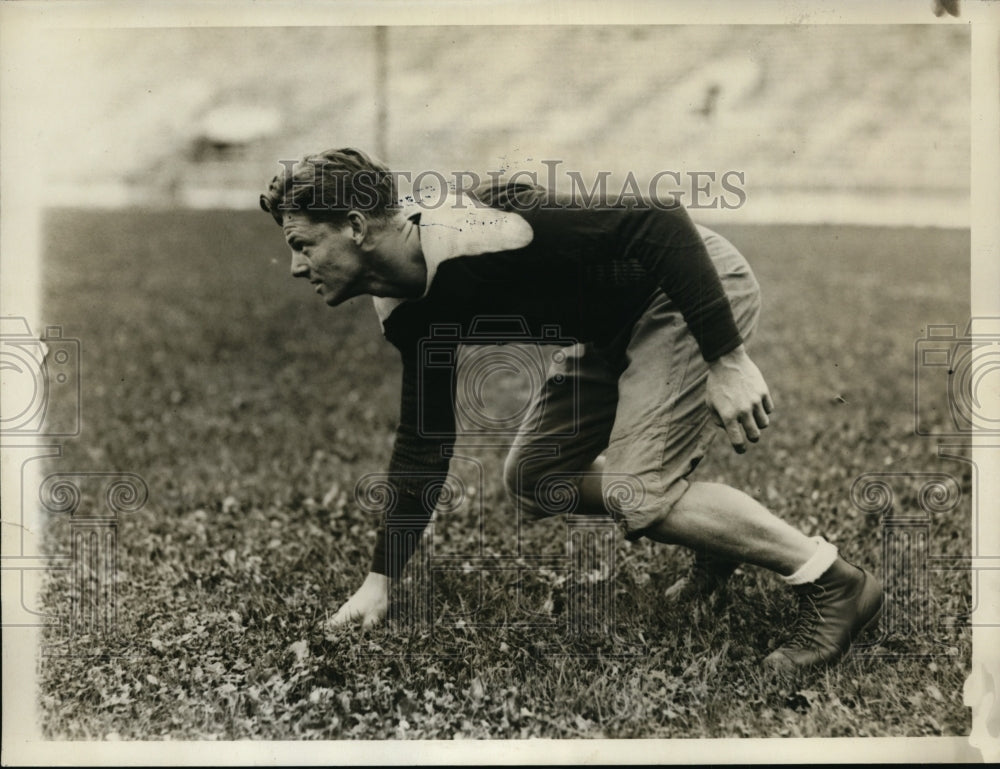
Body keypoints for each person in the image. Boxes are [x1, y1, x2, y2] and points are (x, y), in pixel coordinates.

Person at [259, 147, 883, 674]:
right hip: (609, 327)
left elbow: (656, 216)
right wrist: (379, 584)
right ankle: (717, 537)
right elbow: (425, 441)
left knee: (640, 494)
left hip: (680, 291)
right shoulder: (401, 303)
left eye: (302, 244)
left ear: (357, 226)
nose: (293, 267)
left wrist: (726, 357)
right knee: (534, 479)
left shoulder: (484, 224)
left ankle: (833, 582)